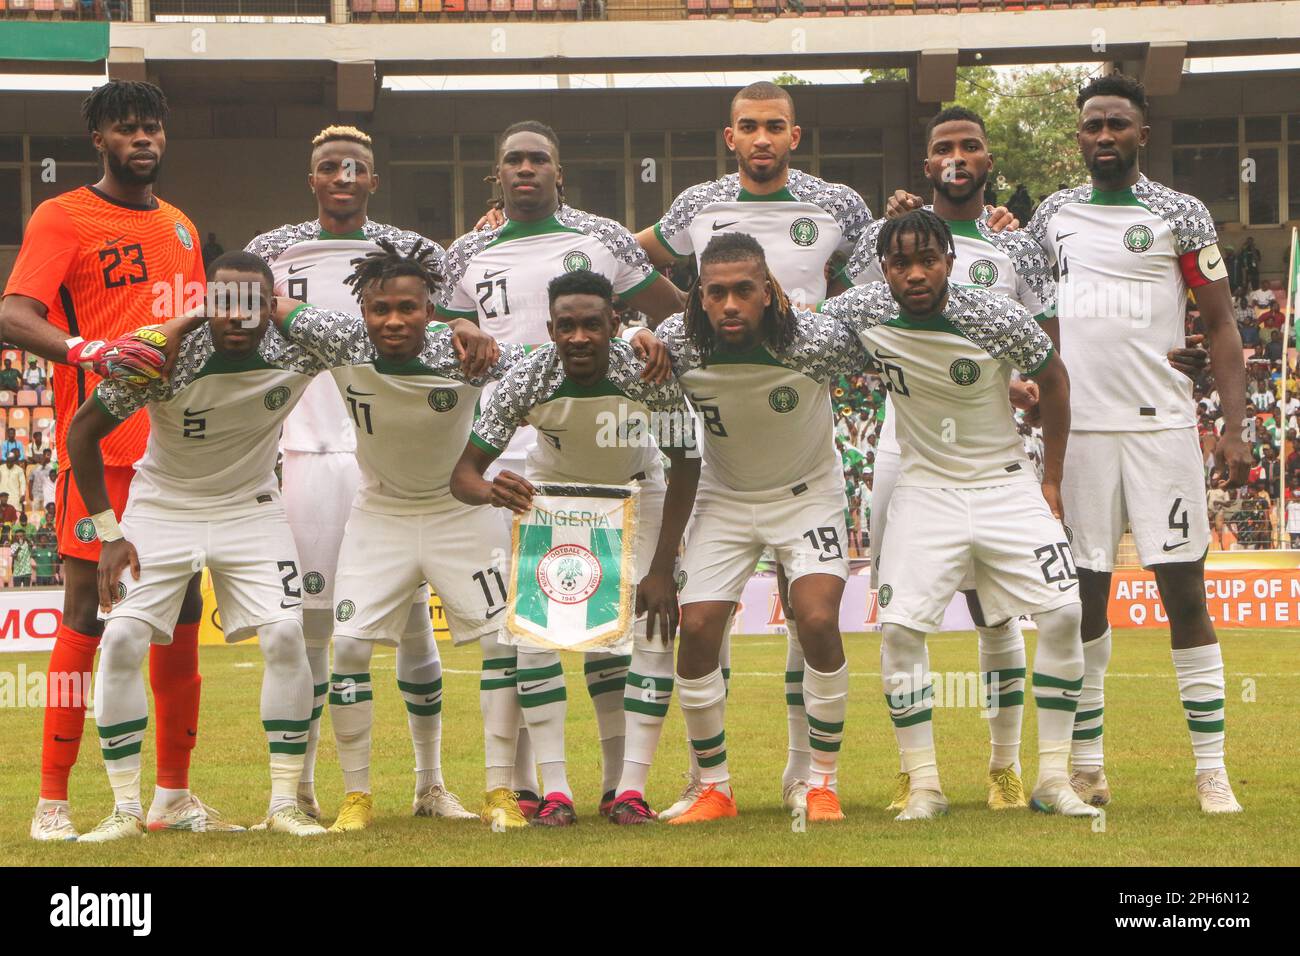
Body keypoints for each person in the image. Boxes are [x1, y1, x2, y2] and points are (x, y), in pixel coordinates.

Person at [635, 81, 873, 818]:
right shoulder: (672, 347)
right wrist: (635, 334)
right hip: (724, 498)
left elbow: (894, 308)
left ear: (769, 290)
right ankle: (713, 786)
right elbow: (617, 282)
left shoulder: (821, 338)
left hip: (809, 493)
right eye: (716, 293)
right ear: (697, 295)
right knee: (699, 628)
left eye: (745, 291)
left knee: (820, 618)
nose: (731, 304)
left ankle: (821, 781)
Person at [437, 119, 683, 817]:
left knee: (614, 633)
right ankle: (520, 783)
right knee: (519, 630)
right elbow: (441, 329)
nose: (524, 169)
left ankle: (618, 785)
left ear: (558, 171)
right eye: (512, 159)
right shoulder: (467, 251)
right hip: (511, 457)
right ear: (497, 173)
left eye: (537, 159)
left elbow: (673, 312)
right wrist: (455, 326)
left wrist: (643, 337)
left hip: (613, 444)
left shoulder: (604, 238)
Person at [820, 208, 1095, 819]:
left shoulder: (994, 313)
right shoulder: (858, 311)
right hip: (925, 487)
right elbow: (791, 333)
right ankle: (923, 784)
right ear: (883, 268)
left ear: (949, 260)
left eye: (927, 260)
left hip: (1004, 483)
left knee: (1062, 612)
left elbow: (1054, 378)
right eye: (900, 263)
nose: (914, 274)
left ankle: (1052, 779)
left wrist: (1050, 479)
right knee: (898, 630)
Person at [1024, 73, 1248, 813]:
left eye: (1118, 124)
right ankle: (1086, 766)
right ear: (1079, 135)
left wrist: (1236, 427)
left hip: (1160, 427)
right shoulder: (1052, 215)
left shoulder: (1180, 215)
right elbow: (1023, 305)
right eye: (1093, 126)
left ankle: (1210, 770)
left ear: (1141, 134)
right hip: (1079, 431)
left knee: (1183, 589)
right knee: (1086, 595)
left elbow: (1219, 323)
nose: (1104, 137)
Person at [246, 124, 483, 823]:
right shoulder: (271, 250)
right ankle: (306, 787)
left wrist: (465, 323)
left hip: (395, 459)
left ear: (374, 180)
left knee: (415, 626)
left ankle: (430, 783)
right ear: (312, 179)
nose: (343, 176)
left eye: (356, 168)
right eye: (329, 167)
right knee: (319, 632)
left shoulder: (413, 254)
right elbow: (236, 324)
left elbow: (464, 327)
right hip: (310, 454)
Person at [0, 80, 212, 842]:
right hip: (102, 454)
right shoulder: (63, 216)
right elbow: (13, 313)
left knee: (180, 617)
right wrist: (85, 350)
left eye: (152, 127)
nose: (143, 139)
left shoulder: (184, 228)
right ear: (99, 139)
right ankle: (52, 803)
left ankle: (174, 797)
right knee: (85, 614)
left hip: (180, 464)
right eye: (126, 129)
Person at [67, 251, 326, 841]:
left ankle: (284, 803)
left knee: (288, 636)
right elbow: (83, 431)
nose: (236, 318)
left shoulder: (302, 348)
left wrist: (455, 325)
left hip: (250, 507)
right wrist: (110, 532)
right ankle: (125, 810)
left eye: (251, 304)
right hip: (162, 507)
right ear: (206, 304)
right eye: (222, 304)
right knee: (124, 639)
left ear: (272, 306)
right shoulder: (164, 358)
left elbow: (388, 332)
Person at [843, 106, 1054, 809]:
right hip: (906, 448)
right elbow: (847, 304)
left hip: (990, 446)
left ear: (989, 161)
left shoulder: (1014, 244)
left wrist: (1019, 381)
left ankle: (1005, 769)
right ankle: (918, 775)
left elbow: (1042, 346)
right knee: (900, 613)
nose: (957, 157)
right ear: (926, 163)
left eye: (970, 147)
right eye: (942, 148)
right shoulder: (892, 235)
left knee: (997, 613)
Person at [268, 240, 514, 832]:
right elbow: (271, 301)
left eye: (409, 307)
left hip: (460, 515)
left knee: (503, 647)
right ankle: (358, 795)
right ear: (363, 311)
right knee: (348, 648)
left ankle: (499, 790)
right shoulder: (342, 341)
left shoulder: (467, 353)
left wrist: (637, 335)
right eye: (380, 309)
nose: (394, 320)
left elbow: (548, 362)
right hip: (380, 515)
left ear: (429, 310)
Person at [452, 269, 698, 827]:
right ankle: (556, 790)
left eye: (592, 324)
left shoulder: (645, 370)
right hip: (555, 504)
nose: (579, 337)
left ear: (615, 323)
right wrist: (493, 490)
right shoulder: (529, 378)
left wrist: (663, 568)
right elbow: (463, 473)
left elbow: (686, 460)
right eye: (567, 326)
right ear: (551, 329)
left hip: (638, 493)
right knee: (535, 641)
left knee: (647, 635)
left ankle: (627, 789)